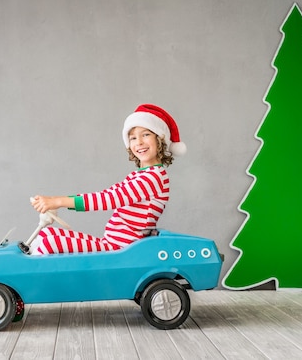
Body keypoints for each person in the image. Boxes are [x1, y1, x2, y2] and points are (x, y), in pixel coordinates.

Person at [30, 104, 186, 255]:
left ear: (160, 139)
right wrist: (52, 199)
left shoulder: (152, 178)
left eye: (146, 134)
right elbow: (110, 192)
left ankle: (33, 280)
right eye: (132, 138)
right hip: (111, 244)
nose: (138, 142)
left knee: (48, 243)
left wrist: (58, 202)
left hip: (121, 250)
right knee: (47, 234)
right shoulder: (140, 175)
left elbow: (109, 199)